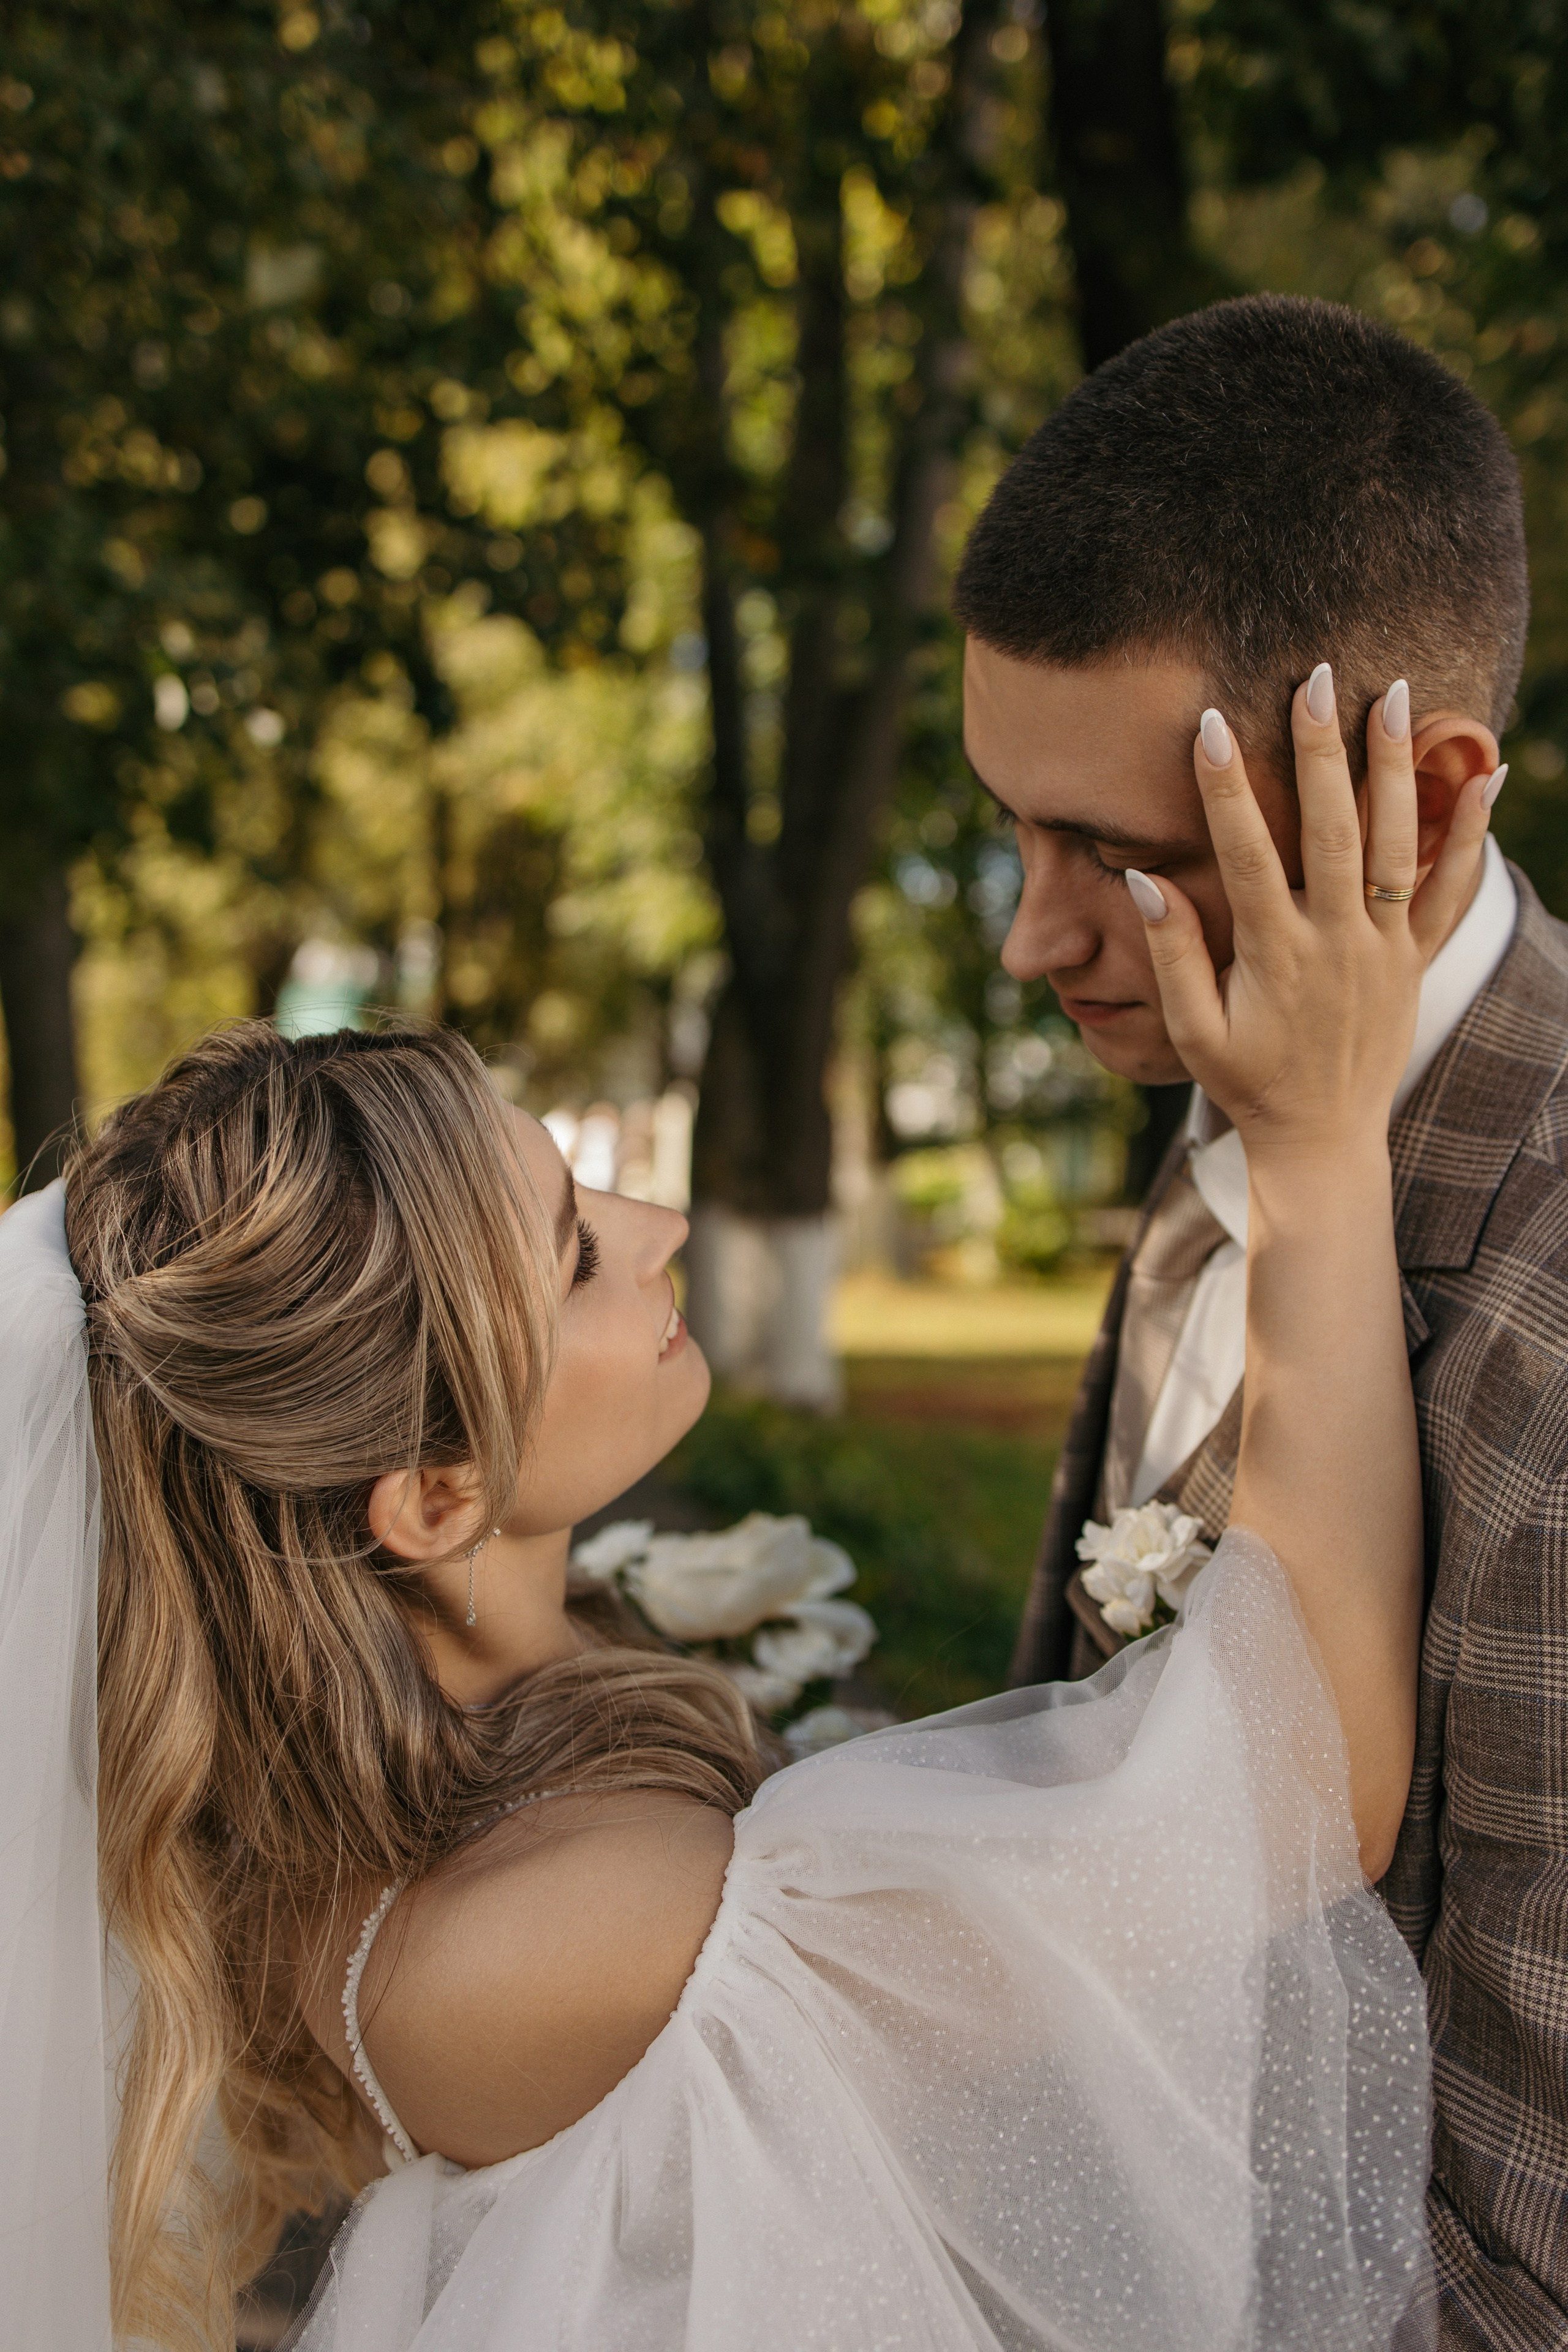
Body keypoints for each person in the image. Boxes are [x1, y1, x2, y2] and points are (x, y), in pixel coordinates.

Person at [4, 673, 1474, 2352]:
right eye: (570, 1251)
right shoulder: (581, 1931)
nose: (662, 1221)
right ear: (433, 1496)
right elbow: (1280, 1808)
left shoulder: (339, 1804)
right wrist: (1316, 1141)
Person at [957, 293, 1564, 2350]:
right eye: (1008, 833)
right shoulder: (1239, 1076)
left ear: (1417, 797)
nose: (1035, 941)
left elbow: (1528, 2256)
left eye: (1113, 857)